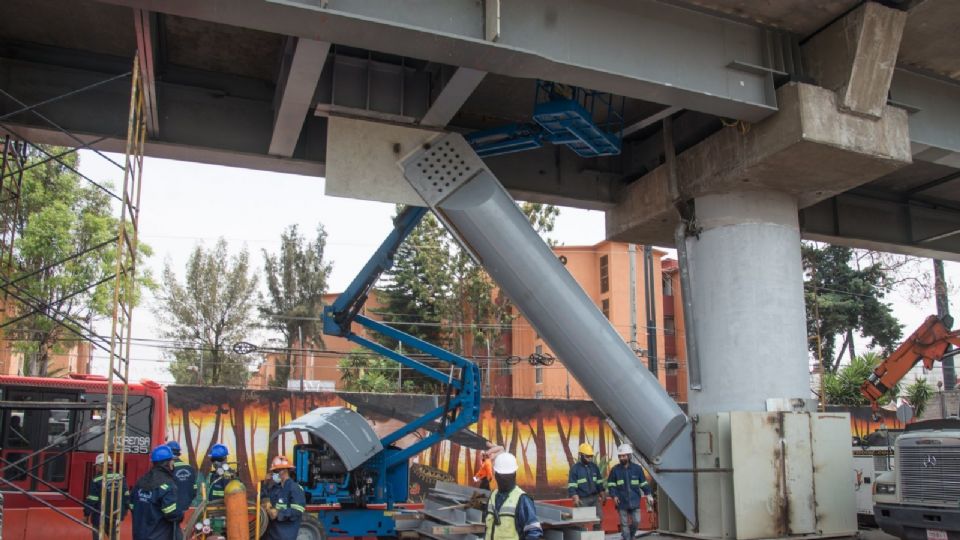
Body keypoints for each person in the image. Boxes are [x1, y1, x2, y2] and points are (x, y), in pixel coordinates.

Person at [482, 453, 542, 540]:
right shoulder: (493, 496)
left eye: (507, 476)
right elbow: (488, 528)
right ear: (496, 475)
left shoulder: (522, 499)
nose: (504, 479)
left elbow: (533, 531)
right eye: (502, 475)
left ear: (514, 475)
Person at [131, 444, 183, 540]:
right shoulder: (168, 484)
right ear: (167, 463)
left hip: (139, 534)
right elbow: (171, 514)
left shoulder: (141, 480)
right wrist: (180, 515)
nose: (173, 464)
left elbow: (132, 505)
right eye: (172, 461)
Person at [606, 444, 653, 540]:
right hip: (621, 501)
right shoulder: (615, 470)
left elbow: (643, 483)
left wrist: (648, 494)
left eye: (624, 456)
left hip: (635, 500)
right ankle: (627, 538)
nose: (622, 458)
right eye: (620, 456)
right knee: (624, 524)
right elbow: (611, 485)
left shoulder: (637, 469)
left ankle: (630, 536)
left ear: (629, 456)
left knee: (636, 521)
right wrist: (614, 496)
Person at [83, 453, 129, 540]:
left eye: (97, 466)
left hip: (99, 516)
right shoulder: (120, 477)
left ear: (101, 466)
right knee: (114, 537)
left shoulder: (97, 480)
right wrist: (124, 511)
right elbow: (126, 496)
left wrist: (86, 514)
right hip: (115, 515)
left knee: (97, 535)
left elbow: (92, 499)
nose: (96, 468)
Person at [261, 455, 306, 540]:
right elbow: (263, 498)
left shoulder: (294, 488)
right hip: (271, 535)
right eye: (274, 471)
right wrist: (265, 484)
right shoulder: (275, 488)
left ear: (284, 471)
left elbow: (298, 510)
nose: (274, 474)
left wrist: (278, 513)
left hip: (285, 536)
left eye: (276, 471)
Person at [567, 443, 605, 519]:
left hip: (595, 498)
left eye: (591, 456)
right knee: (581, 521)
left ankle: (597, 531)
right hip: (582, 499)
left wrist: (602, 493)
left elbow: (599, 482)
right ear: (580, 455)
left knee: (599, 518)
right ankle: (582, 531)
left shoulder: (594, 467)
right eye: (587, 456)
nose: (589, 458)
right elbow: (572, 486)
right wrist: (575, 497)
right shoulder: (575, 469)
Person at [166, 441, 197, 519]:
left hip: (171, 508)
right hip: (186, 507)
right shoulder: (190, 468)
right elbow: (194, 490)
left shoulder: (168, 468)